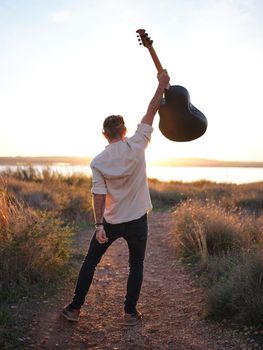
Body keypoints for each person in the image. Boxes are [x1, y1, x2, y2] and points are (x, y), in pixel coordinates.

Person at [62, 69, 170, 326]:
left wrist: (99, 225)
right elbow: (151, 109)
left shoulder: (98, 161)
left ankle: (75, 309)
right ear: (124, 131)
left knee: (91, 261)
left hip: (110, 222)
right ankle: (130, 313)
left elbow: (98, 195)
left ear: (104, 135)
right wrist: (162, 85)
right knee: (136, 264)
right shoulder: (137, 143)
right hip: (137, 220)